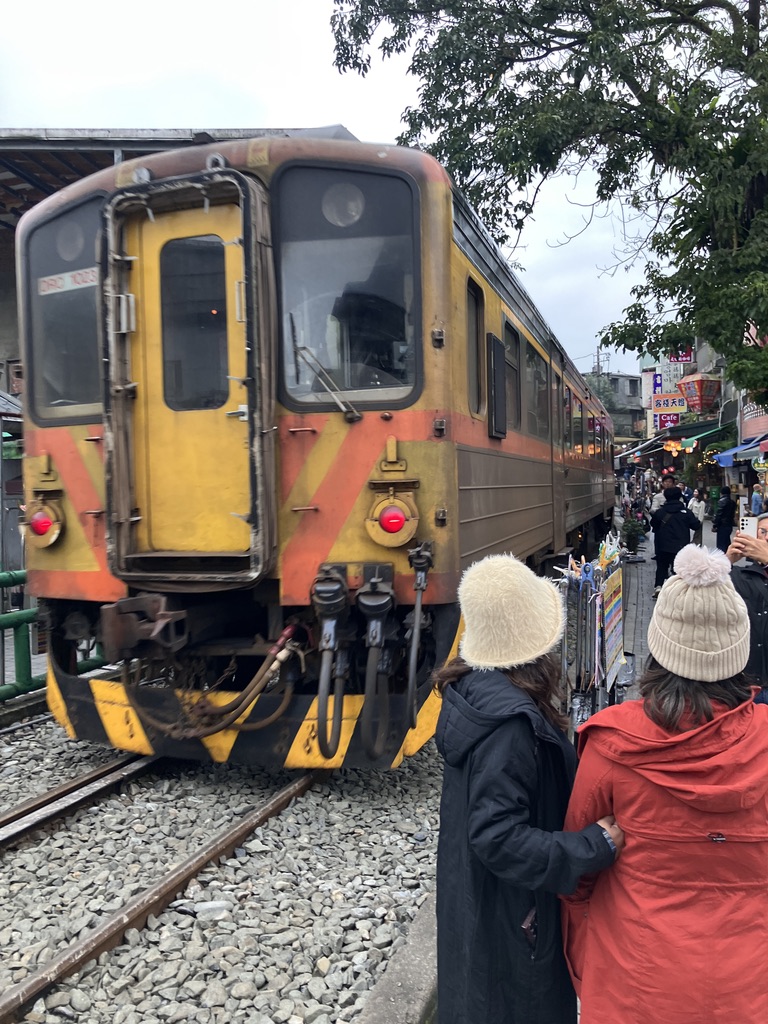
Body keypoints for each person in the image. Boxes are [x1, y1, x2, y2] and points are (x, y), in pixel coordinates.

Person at [561, 544, 768, 1024]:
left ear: (658, 646)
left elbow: (577, 867)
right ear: (738, 650)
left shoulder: (613, 742)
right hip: (750, 983)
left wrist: (587, 962)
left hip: (635, 976)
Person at [434, 553, 622, 1024]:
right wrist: (591, 846)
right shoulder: (511, 727)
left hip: (484, 910)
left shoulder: (475, 691)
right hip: (516, 926)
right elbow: (496, 836)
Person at [727, 515, 768, 704]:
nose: (767, 538)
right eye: (763, 532)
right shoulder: (738, 575)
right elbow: (693, 597)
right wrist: (726, 561)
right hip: (746, 684)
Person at [650, 486, 698, 597]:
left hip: (662, 545)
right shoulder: (686, 512)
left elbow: (653, 524)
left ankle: (658, 586)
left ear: (666, 497)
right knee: (679, 568)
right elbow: (695, 525)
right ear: (679, 496)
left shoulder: (660, 512)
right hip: (681, 546)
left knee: (662, 566)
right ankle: (679, 590)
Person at [712, 484, 737, 552]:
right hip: (729, 524)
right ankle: (728, 559)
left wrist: (715, 524)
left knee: (721, 545)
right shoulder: (733, 502)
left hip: (722, 525)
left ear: (721, 493)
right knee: (727, 543)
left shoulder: (722, 501)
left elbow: (719, 514)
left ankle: (722, 560)